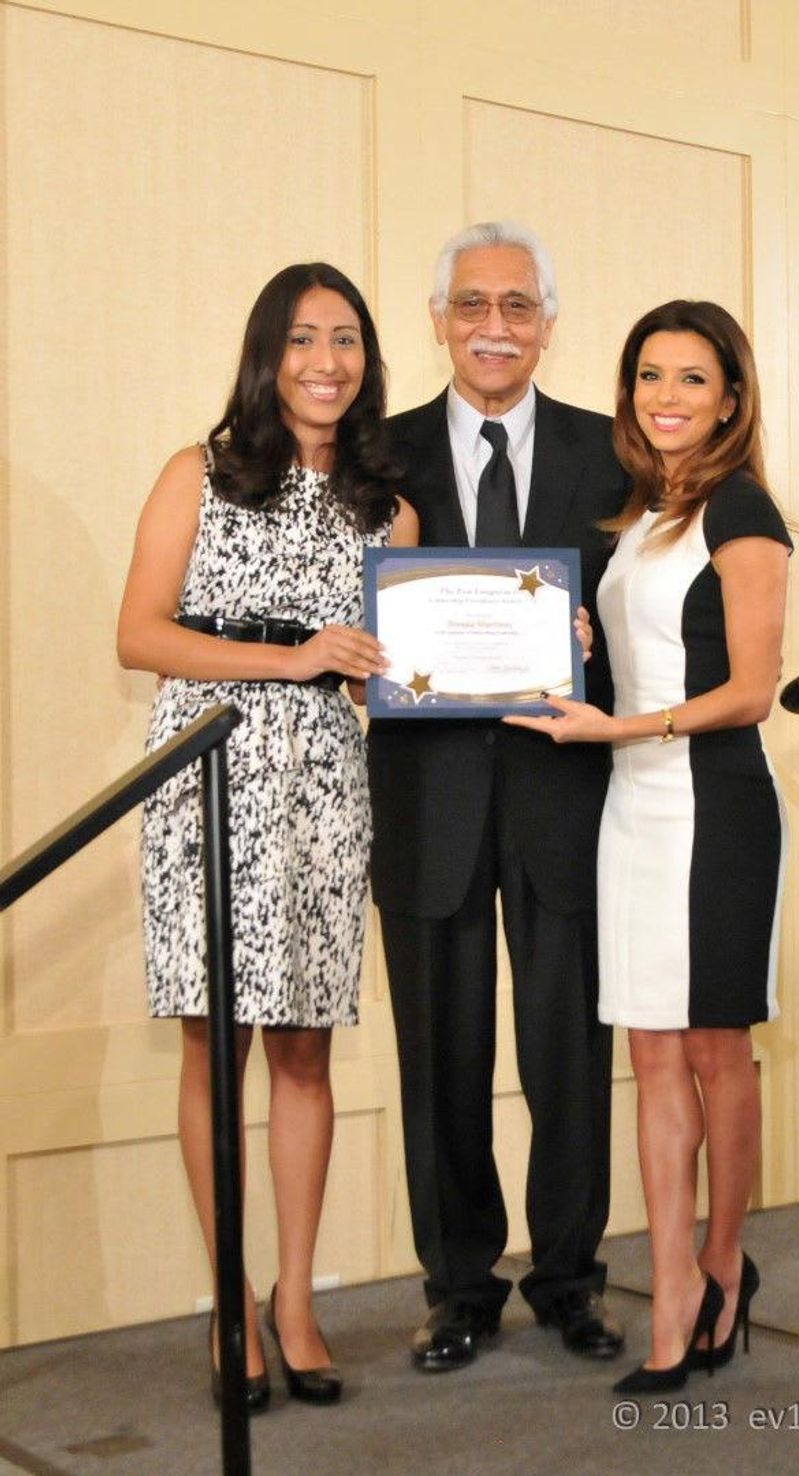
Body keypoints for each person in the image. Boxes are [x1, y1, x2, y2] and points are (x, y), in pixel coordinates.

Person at [117, 263, 417, 1409]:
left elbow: (409, 670)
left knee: (304, 1052)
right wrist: (290, 657)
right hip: (206, 774)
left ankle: (296, 1301)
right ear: (266, 353)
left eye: (345, 340)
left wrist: (539, 638)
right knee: (215, 1044)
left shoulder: (388, 508)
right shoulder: (196, 473)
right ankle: (230, 1301)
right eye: (302, 340)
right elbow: (140, 634)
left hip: (327, 789)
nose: (325, 363)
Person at [507, 300, 791, 1393]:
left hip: (711, 808)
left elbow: (748, 690)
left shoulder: (743, 509)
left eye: (690, 379)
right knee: (650, 1057)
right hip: (630, 809)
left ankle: (722, 1267)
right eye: (648, 377)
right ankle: (667, 1285)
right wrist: (576, 642)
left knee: (715, 1055)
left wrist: (616, 725)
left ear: (729, 396)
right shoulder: (637, 516)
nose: (665, 398)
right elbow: (644, 655)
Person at [367, 221, 629, 1371]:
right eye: (471, 304)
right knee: (441, 1057)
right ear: (437, 321)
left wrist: (591, 645)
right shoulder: (376, 454)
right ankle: (459, 1285)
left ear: (546, 325)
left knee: (569, 1048)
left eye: (517, 306)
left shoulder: (611, 451)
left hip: (563, 798)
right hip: (425, 802)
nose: (493, 326)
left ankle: (570, 1276)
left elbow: (651, 633)